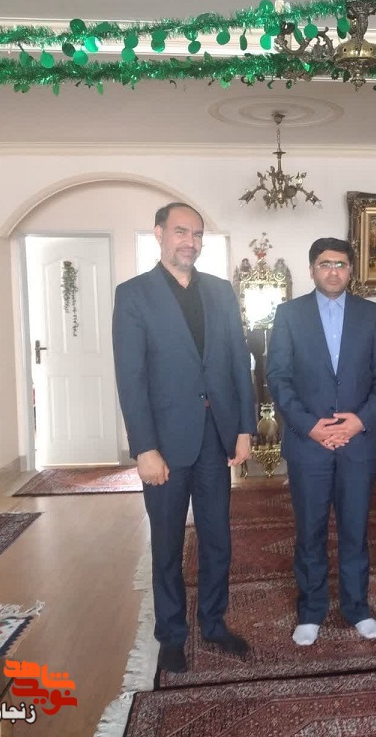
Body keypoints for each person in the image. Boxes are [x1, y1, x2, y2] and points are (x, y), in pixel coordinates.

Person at [112, 202, 256, 674]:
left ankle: (213, 622)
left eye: (196, 234)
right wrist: (144, 448)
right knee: (167, 545)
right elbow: (131, 378)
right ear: (159, 234)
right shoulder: (133, 295)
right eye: (180, 232)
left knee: (218, 540)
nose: (189, 242)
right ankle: (172, 635)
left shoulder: (220, 291)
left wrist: (244, 428)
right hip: (164, 446)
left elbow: (238, 362)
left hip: (216, 439)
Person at [266, 237, 376, 646]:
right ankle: (311, 611)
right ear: (312, 269)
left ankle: (358, 608)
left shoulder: (371, 314)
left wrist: (359, 421)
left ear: (350, 269)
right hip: (309, 443)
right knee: (310, 532)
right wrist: (310, 426)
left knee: (355, 530)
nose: (333, 271)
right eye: (325, 264)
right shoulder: (289, 315)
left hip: (358, 443)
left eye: (341, 264)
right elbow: (278, 378)